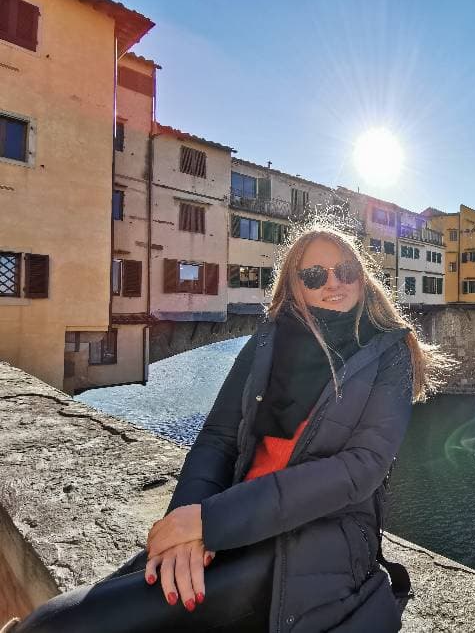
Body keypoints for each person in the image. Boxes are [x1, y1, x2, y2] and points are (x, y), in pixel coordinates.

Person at [6, 222, 451, 633]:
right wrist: (187, 525)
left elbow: (360, 469)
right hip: (230, 520)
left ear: (362, 274)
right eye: (314, 276)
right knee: (58, 618)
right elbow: (218, 437)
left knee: (63, 625)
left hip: (315, 539)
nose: (333, 282)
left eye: (345, 270)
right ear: (294, 287)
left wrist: (210, 520)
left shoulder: (388, 350)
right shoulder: (268, 340)